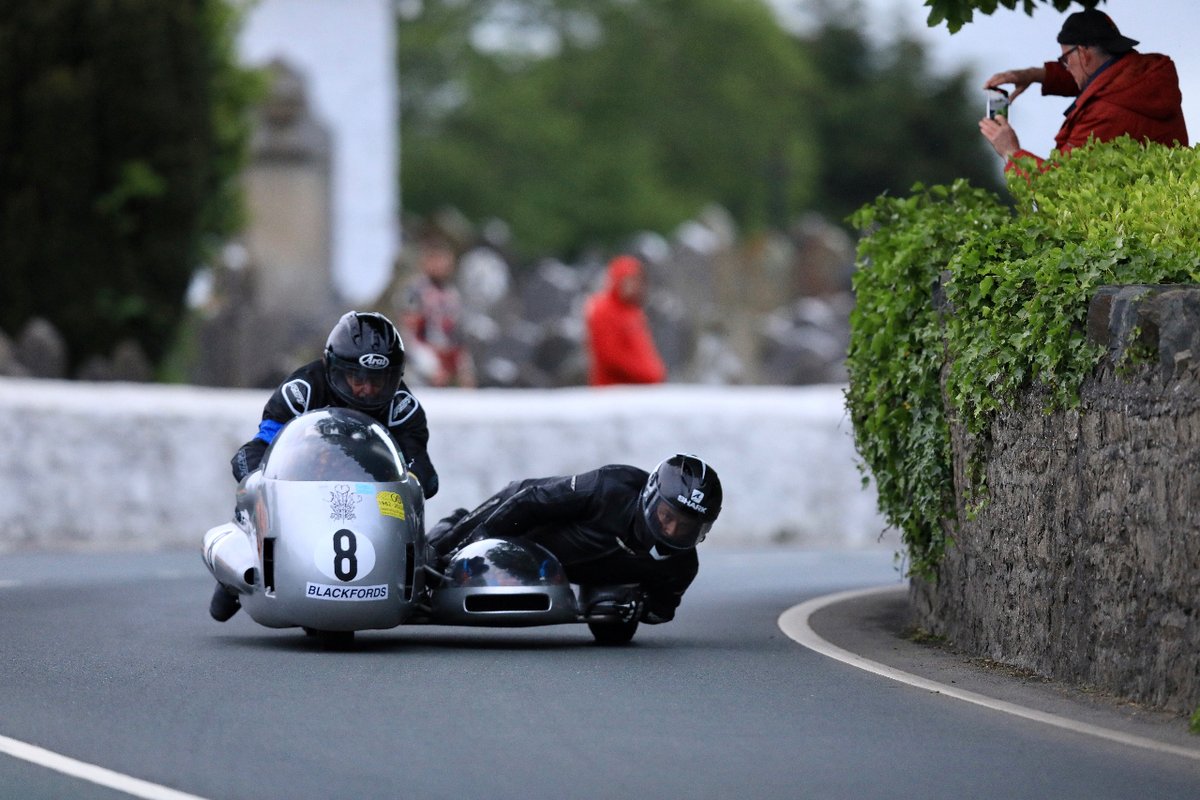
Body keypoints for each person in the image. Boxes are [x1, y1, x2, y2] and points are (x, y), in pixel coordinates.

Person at [211, 310, 439, 621]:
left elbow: (422, 469)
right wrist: (257, 483)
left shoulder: (402, 407)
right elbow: (258, 448)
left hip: (369, 495)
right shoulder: (302, 390)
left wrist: (408, 482)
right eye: (357, 378)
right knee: (254, 486)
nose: (367, 390)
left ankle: (405, 575)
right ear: (334, 368)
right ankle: (241, 566)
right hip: (306, 486)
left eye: (379, 381)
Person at [427, 454, 722, 626]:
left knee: (612, 616)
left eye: (685, 528)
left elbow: (662, 611)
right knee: (444, 554)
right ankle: (450, 526)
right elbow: (530, 501)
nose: (670, 531)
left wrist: (635, 608)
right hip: (522, 513)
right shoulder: (609, 486)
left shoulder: (682, 566)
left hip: (593, 573)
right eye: (666, 517)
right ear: (650, 498)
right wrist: (479, 537)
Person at [979, 9, 1188, 172]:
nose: (1066, 68)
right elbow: (1099, 80)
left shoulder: (1104, 114)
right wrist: (1035, 75)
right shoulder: (1142, 77)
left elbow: (1059, 186)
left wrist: (1011, 153)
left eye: (1065, 60)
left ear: (1083, 53)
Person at [396, 234, 476, 388]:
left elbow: (457, 330)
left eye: (444, 260)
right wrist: (432, 365)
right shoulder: (415, 291)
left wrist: (462, 364)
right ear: (425, 262)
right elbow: (409, 333)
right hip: (421, 353)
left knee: (466, 373)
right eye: (436, 260)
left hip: (448, 352)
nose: (441, 265)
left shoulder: (453, 293)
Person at [584, 254, 667, 386]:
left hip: (636, 389)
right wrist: (647, 374)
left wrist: (655, 372)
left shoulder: (632, 311)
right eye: (628, 280)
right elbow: (610, 356)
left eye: (637, 281)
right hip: (616, 391)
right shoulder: (603, 310)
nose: (634, 286)